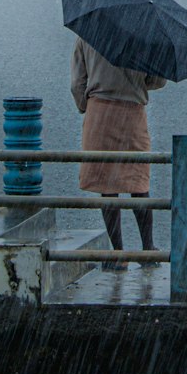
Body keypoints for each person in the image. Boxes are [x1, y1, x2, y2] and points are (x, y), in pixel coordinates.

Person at [70, 36, 166, 268]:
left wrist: (87, 106)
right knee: (138, 182)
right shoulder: (144, 37)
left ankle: (117, 254)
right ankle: (148, 250)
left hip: (99, 112)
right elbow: (157, 80)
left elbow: (76, 84)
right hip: (132, 113)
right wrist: (136, 81)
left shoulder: (87, 34)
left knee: (107, 186)